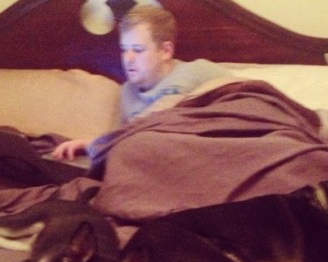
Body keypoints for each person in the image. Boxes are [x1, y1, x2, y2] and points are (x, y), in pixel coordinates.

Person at [52, 4, 231, 160]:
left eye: (138, 50)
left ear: (165, 50)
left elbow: (249, 96)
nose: (128, 59)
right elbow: (119, 142)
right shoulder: (127, 92)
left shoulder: (197, 71)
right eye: (124, 49)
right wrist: (91, 145)